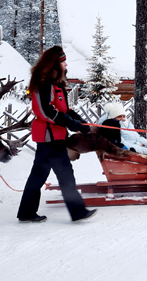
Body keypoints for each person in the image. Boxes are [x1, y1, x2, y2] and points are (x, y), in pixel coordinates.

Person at [17, 46, 97, 223]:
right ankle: (77, 211)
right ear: (55, 63)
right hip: (49, 137)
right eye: (63, 61)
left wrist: (81, 122)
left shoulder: (57, 84)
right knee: (65, 173)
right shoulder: (43, 83)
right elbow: (46, 112)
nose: (66, 64)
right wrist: (73, 124)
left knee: (38, 176)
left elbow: (65, 110)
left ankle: (26, 212)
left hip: (55, 136)